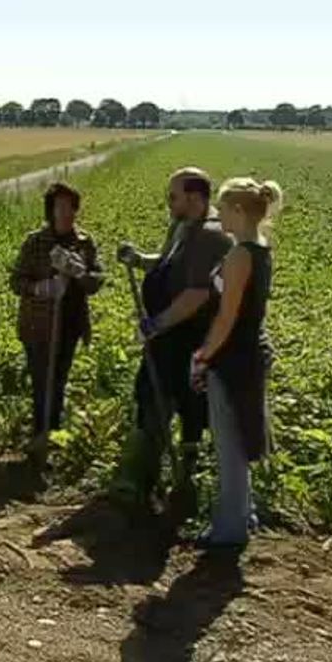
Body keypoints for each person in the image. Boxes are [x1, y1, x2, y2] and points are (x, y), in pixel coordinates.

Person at [114, 167, 233, 515]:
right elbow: (164, 263)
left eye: (174, 196)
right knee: (150, 402)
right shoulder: (182, 227)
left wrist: (156, 324)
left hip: (190, 341)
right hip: (166, 340)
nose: (169, 202)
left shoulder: (210, 237)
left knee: (190, 412)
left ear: (195, 199)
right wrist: (139, 260)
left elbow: (196, 295)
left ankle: (183, 487)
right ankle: (140, 482)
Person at [190, 178, 280, 548]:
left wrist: (203, 356)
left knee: (229, 445)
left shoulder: (240, 254)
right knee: (240, 439)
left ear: (239, 211)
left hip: (232, 358)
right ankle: (245, 513)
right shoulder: (259, 248)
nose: (219, 214)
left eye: (224, 208)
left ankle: (230, 530)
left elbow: (227, 318)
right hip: (246, 354)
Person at [8, 182, 104, 468]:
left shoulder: (84, 242)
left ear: (76, 210)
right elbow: (16, 281)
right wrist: (42, 288)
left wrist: (81, 273)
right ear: (50, 211)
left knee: (59, 381)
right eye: (58, 207)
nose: (64, 213)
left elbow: (96, 281)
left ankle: (52, 437)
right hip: (38, 325)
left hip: (70, 324)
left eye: (69, 207)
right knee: (41, 381)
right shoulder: (35, 242)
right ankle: (39, 438)